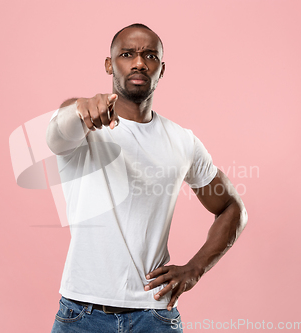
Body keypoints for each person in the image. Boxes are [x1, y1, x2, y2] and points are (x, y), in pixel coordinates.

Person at [46, 23, 248, 333]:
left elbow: (232, 208)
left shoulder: (183, 141)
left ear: (161, 69)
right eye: (127, 54)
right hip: (82, 315)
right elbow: (58, 131)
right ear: (109, 64)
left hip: (154, 318)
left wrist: (195, 269)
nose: (139, 63)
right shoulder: (83, 127)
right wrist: (79, 108)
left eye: (150, 56)